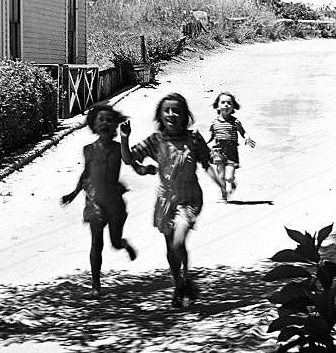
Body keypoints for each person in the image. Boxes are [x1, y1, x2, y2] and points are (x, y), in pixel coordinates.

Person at [120, 92, 223, 310]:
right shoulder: (156, 140)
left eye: (177, 110)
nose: (171, 114)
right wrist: (124, 138)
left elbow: (206, 163)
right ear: (160, 115)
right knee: (172, 248)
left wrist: (220, 182)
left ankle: (184, 280)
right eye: (167, 110)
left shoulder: (193, 138)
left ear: (185, 115)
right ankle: (180, 285)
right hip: (165, 200)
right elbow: (129, 158)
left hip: (189, 198)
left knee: (178, 241)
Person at [61, 103, 142, 298]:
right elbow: (86, 173)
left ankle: (124, 244)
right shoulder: (88, 150)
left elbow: (127, 158)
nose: (105, 123)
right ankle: (95, 285)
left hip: (114, 202)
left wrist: (125, 138)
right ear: (93, 125)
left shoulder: (117, 148)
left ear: (115, 125)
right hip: (94, 201)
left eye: (109, 120)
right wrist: (73, 194)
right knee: (96, 243)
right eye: (100, 119)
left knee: (114, 242)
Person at [208, 91, 256, 200]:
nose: (226, 105)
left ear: (233, 106)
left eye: (229, 103)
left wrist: (247, 137)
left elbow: (243, 132)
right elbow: (212, 137)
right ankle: (223, 194)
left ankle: (232, 182)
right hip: (218, 152)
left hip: (231, 151)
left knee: (228, 177)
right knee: (220, 176)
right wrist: (205, 145)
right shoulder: (214, 123)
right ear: (218, 106)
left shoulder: (235, 122)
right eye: (223, 102)